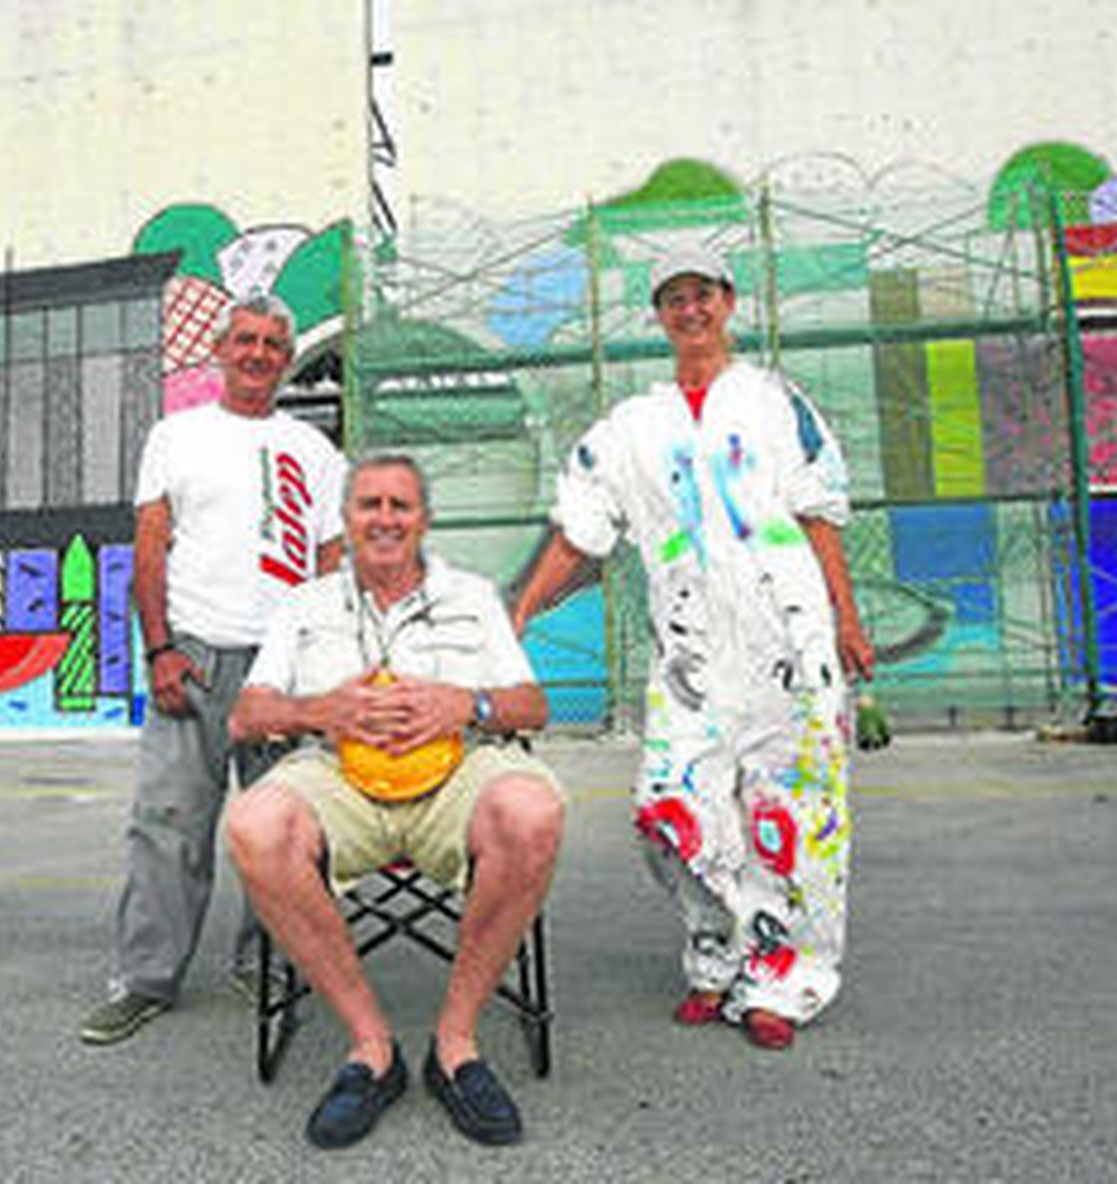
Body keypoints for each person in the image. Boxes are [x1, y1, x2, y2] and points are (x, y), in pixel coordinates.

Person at [511, 245, 872, 1052]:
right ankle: (719, 953)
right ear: (660, 315)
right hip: (691, 658)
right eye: (675, 298)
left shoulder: (777, 403)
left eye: (702, 294)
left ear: (728, 302)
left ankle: (784, 977)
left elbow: (819, 514)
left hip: (789, 638)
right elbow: (579, 534)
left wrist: (846, 621)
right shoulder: (632, 428)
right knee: (671, 809)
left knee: (792, 812)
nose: (691, 310)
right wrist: (521, 612)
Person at [225, 455, 564, 1149]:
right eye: (369, 505)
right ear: (346, 521)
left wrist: (466, 703)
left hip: (456, 777)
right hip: (339, 781)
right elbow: (246, 717)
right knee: (255, 824)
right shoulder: (305, 603)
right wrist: (320, 709)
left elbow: (532, 706)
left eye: (400, 505)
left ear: (424, 520)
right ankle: (372, 1049)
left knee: (532, 809)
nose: (384, 519)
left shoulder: (473, 596)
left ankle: (455, 1045)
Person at [78, 293, 348, 1047]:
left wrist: (320, 664)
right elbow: (151, 547)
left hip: (283, 669)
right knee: (167, 825)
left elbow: (330, 564)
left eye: (273, 344)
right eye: (245, 340)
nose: (258, 354)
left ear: (286, 359)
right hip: (193, 657)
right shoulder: (176, 436)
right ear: (220, 350)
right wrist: (159, 650)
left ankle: (268, 965)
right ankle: (144, 980)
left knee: (285, 830)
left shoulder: (316, 452)